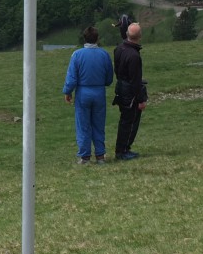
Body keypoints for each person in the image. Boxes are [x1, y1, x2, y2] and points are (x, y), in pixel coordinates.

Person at [62, 25, 114, 165]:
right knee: (98, 124)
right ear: (97, 38)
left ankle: (85, 157)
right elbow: (109, 78)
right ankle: (100, 156)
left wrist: (67, 92)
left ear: (84, 38)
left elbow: (72, 78)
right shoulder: (104, 54)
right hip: (99, 92)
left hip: (83, 93)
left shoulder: (77, 55)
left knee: (83, 125)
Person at [113, 22, 147, 160]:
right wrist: (141, 99)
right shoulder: (134, 56)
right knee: (130, 121)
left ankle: (122, 149)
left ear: (127, 34)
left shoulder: (119, 49)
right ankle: (123, 150)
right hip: (130, 92)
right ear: (139, 36)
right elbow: (135, 80)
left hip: (121, 87)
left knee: (124, 120)